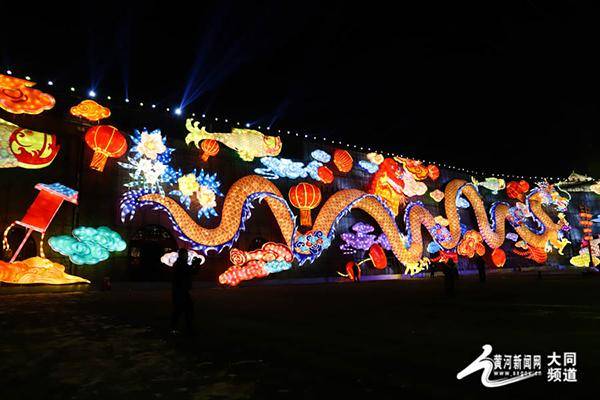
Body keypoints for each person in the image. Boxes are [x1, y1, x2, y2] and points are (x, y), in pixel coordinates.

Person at [170, 248, 199, 334]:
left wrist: (195, 265)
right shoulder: (180, 264)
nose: (186, 256)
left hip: (181, 290)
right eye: (185, 254)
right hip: (180, 291)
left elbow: (191, 272)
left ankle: (179, 328)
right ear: (182, 255)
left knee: (183, 310)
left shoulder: (180, 263)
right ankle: (178, 328)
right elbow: (189, 272)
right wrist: (195, 264)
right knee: (183, 310)